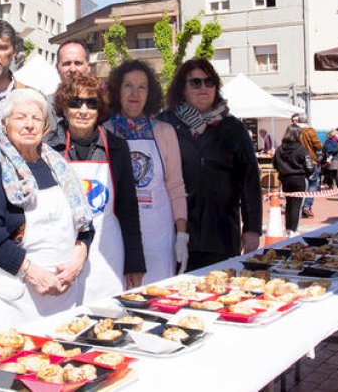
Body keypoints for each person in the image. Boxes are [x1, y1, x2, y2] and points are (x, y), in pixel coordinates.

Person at [0, 89, 94, 332]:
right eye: (20, 118)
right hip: (16, 297)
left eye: (36, 118)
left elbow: (85, 224)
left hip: (64, 292)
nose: (29, 125)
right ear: (5, 124)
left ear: (45, 125)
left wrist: (79, 257)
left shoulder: (58, 166)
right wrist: (33, 274)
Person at [46, 72, 145, 301]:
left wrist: (135, 262)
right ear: (64, 108)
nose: (83, 110)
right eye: (75, 102)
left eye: (91, 103)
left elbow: (129, 209)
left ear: (99, 110)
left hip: (107, 250)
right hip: (63, 251)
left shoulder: (117, 148)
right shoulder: (49, 148)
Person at [158, 59, 262, 269]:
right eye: (195, 82)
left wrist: (252, 229)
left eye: (209, 82)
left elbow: (250, 180)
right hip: (175, 233)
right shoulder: (165, 124)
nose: (203, 87)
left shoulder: (233, 127)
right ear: (182, 88)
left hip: (222, 233)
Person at [104, 60, 188, 279]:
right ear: (117, 90)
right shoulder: (105, 132)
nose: (135, 93)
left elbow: (176, 186)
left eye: (142, 87)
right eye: (128, 86)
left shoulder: (165, 131)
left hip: (160, 238)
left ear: (150, 93)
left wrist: (182, 235)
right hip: (120, 238)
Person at [272, 126, 312, 234]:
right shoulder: (301, 149)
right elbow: (309, 166)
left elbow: (274, 164)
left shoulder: (279, 149)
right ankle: (294, 229)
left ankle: (288, 228)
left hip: (285, 179)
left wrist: (283, 171)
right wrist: (308, 173)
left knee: (289, 204)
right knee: (296, 206)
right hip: (299, 179)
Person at [292, 114, 323, 218]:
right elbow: (318, 145)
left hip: (297, 160)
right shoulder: (310, 130)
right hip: (310, 159)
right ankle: (307, 205)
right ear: (307, 120)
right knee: (312, 183)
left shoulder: (293, 130)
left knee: (299, 184)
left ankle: (299, 205)